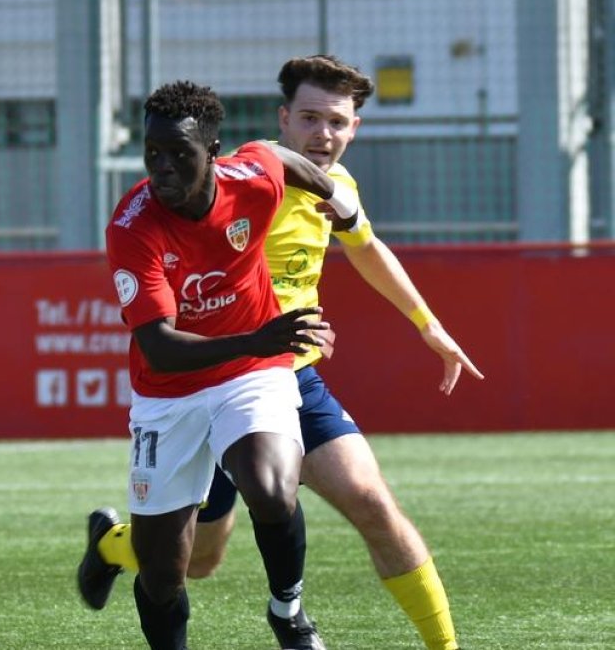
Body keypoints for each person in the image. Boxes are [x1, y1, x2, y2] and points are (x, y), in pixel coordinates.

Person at [79, 56, 483, 650]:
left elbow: (366, 246)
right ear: (283, 120)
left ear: (354, 130)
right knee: (193, 562)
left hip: (276, 377)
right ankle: (115, 544)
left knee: (366, 501)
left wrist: (429, 325)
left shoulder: (335, 186)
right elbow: (266, 168)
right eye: (311, 118)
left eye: (338, 122)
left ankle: (413, 640)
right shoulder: (236, 177)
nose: (324, 134)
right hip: (196, 377)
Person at [101, 79, 362, 650]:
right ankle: (112, 549)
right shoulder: (132, 226)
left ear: (213, 155)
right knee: (165, 574)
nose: (162, 168)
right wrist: (256, 337)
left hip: (250, 373)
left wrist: (340, 201)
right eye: (152, 154)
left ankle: (287, 611)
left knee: (271, 489)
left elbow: (281, 158)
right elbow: (160, 347)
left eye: (180, 155)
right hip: (168, 392)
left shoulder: (251, 181)